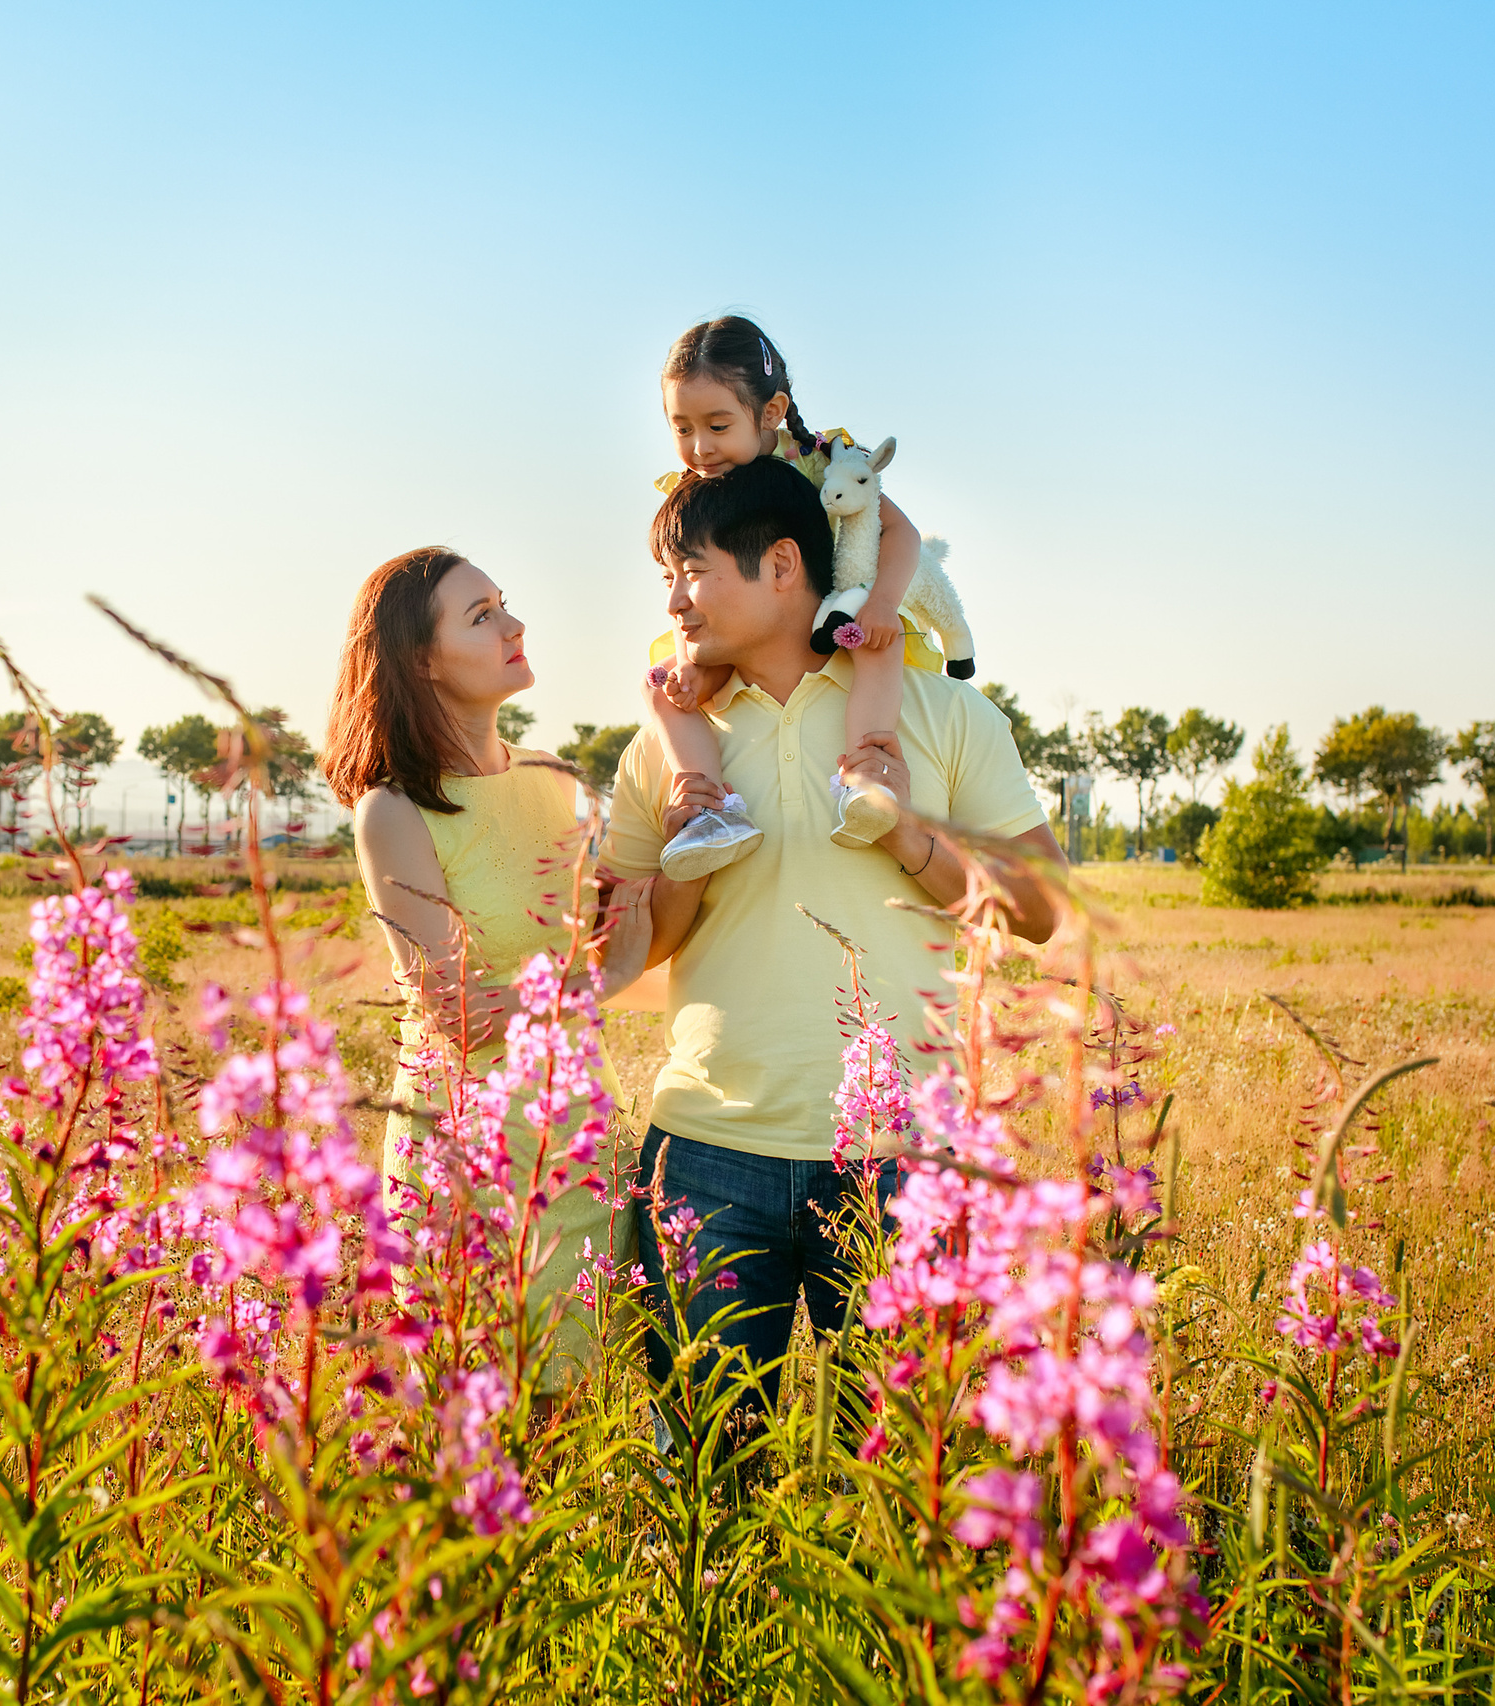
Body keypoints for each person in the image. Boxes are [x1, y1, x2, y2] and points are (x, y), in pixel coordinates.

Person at [604, 456, 1064, 1418]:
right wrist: (689, 856)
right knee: (701, 1481)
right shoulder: (666, 740)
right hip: (705, 1149)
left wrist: (905, 833)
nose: (675, 604)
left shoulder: (939, 713)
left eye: (691, 572)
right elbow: (627, 955)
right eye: (666, 582)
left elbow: (1041, 909)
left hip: (909, 1159)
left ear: (781, 565)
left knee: (904, 1490)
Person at [323, 546, 654, 1384]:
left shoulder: (555, 782)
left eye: (504, 604)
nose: (514, 625)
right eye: (482, 616)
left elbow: (622, 955)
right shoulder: (393, 809)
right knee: (482, 1430)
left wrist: (668, 841)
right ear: (421, 661)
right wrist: (591, 978)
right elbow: (457, 1013)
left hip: (581, 1140)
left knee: (580, 1428)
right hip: (467, 1160)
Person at [641, 317, 946, 881]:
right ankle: (709, 809)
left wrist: (881, 604)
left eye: (717, 424)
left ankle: (865, 774)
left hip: (837, 603)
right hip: (744, 628)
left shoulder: (823, 456)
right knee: (661, 689)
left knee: (877, 643)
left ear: (772, 412)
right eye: (681, 428)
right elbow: (694, 577)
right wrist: (686, 665)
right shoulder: (695, 486)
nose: (700, 448)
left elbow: (897, 532)